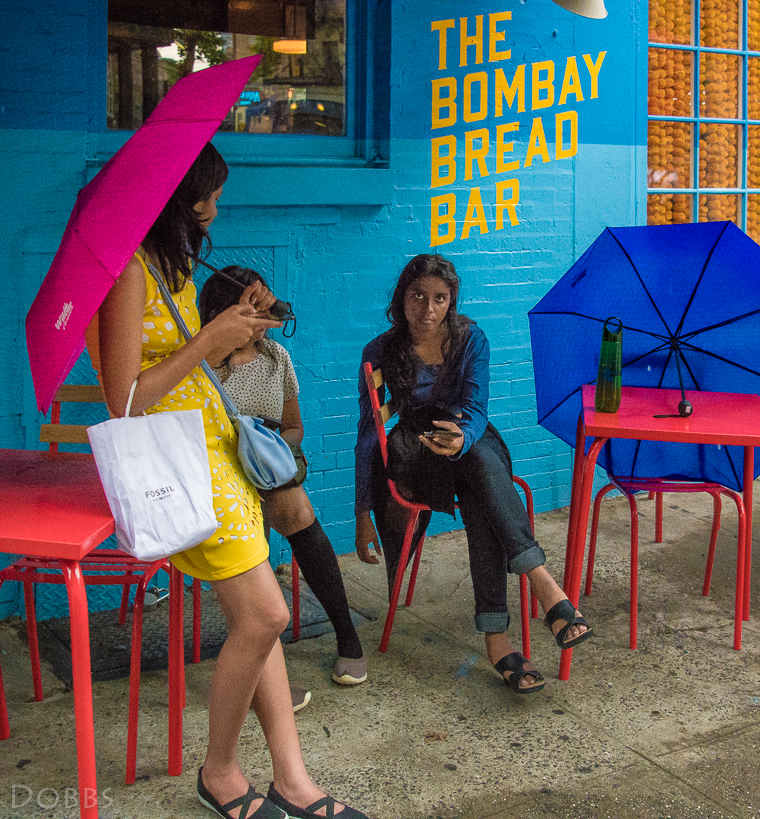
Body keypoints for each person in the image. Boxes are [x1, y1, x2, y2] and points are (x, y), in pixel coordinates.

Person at [95, 142, 369, 819]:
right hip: (180, 463)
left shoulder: (167, 264)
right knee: (269, 614)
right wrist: (208, 341)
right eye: (207, 196)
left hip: (215, 448)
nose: (214, 208)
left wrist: (235, 320)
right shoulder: (127, 271)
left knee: (257, 616)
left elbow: (190, 356)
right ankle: (219, 771)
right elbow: (123, 400)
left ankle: (293, 780)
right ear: (175, 199)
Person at [354, 253, 593, 695]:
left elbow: (477, 409)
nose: (428, 309)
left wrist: (462, 437)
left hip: (468, 435)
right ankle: (543, 588)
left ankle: (499, 636)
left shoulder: (471, 339)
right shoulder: (380, 349)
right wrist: (362, 510)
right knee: (482, 476)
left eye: (439, 298)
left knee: (478, 470)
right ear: (401, 298)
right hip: (417, 451)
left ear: (452, 301)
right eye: (417, 296)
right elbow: (369, 435)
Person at [198, 266, 368, 685]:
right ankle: (261, 664)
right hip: (216, 470)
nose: (265, 324)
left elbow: (294, 426)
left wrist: (271, 448)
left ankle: (346, 633)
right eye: (254, 313)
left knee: (295, 509)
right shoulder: (201, 366)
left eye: (266, 312)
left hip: (267, 466)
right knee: (253, 513)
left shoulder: (276, 359)